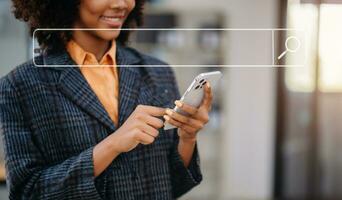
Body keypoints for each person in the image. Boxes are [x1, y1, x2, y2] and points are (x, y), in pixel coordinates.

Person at [0, 0, 213, 199]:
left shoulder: (158, 72)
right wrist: (111, 146)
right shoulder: (19, 86)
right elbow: (26, 192)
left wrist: (187, 137)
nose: (121, 4)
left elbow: (173, 186)